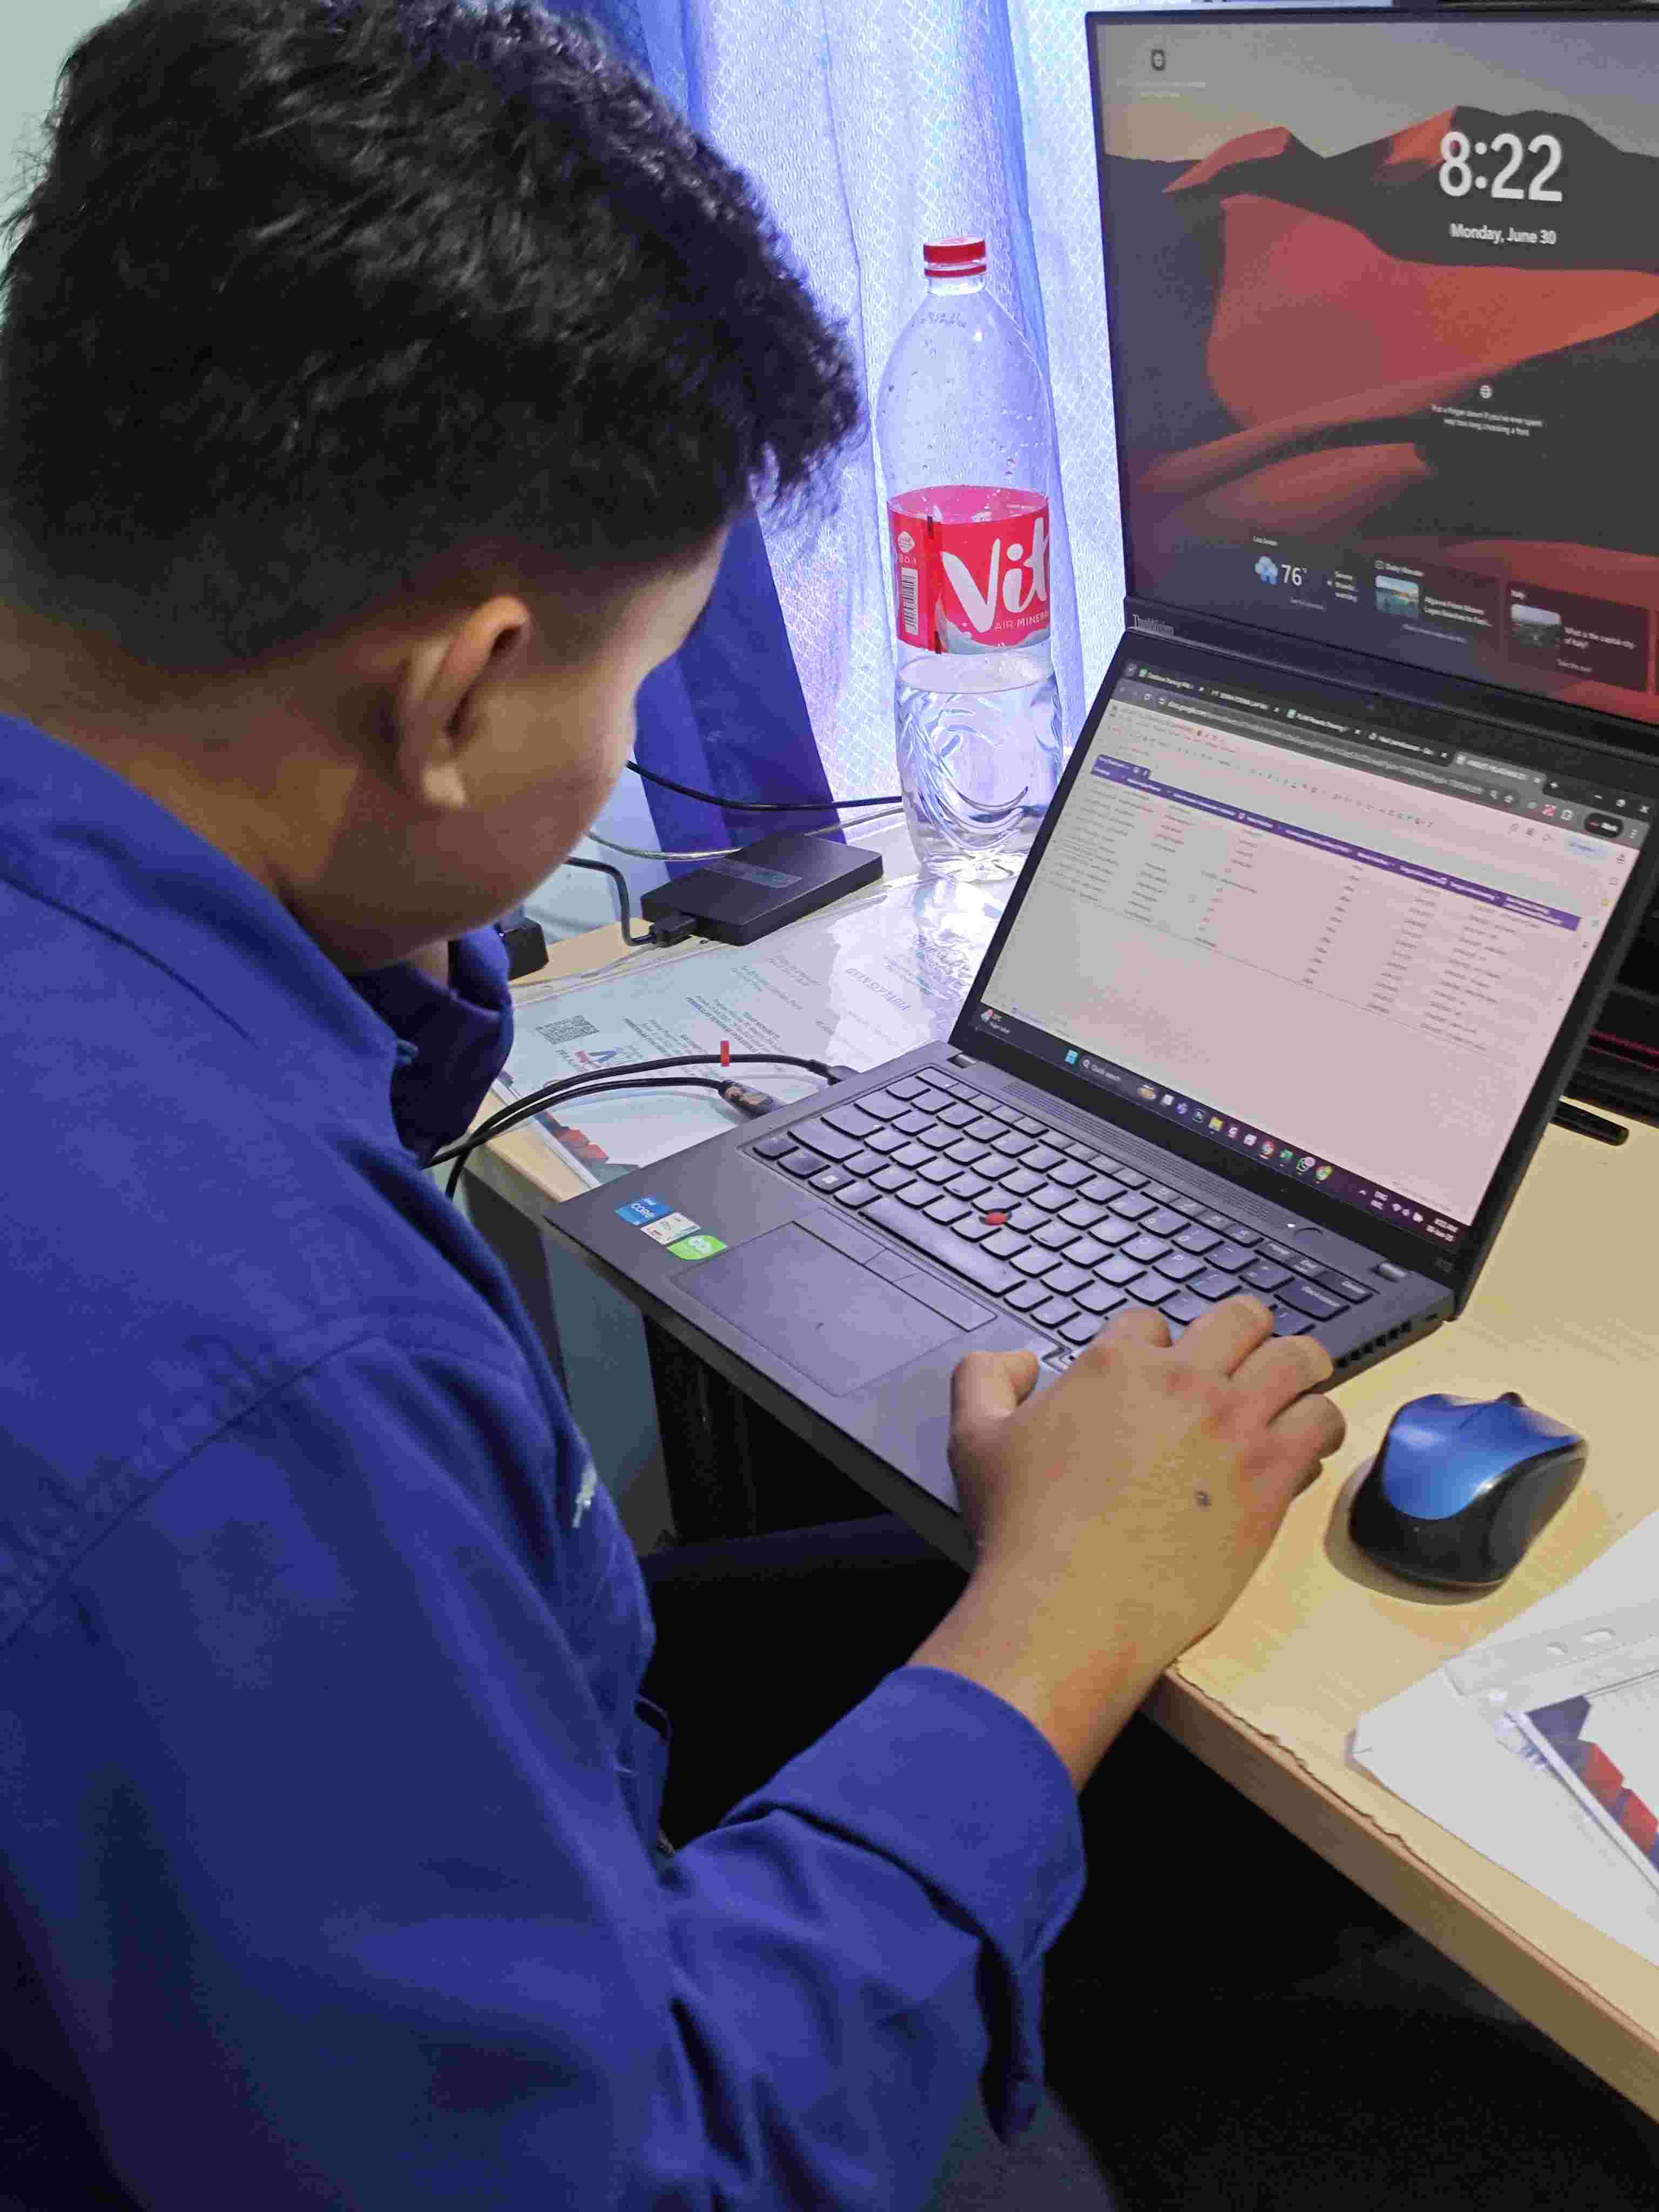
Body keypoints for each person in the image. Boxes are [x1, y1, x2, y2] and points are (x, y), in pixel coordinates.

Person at [0, 2, 1346, 2206]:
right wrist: (1066, 1612)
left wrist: (376, 916)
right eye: (636, 679)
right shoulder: (250, 1363)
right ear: (456, 697)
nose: (631, 739)